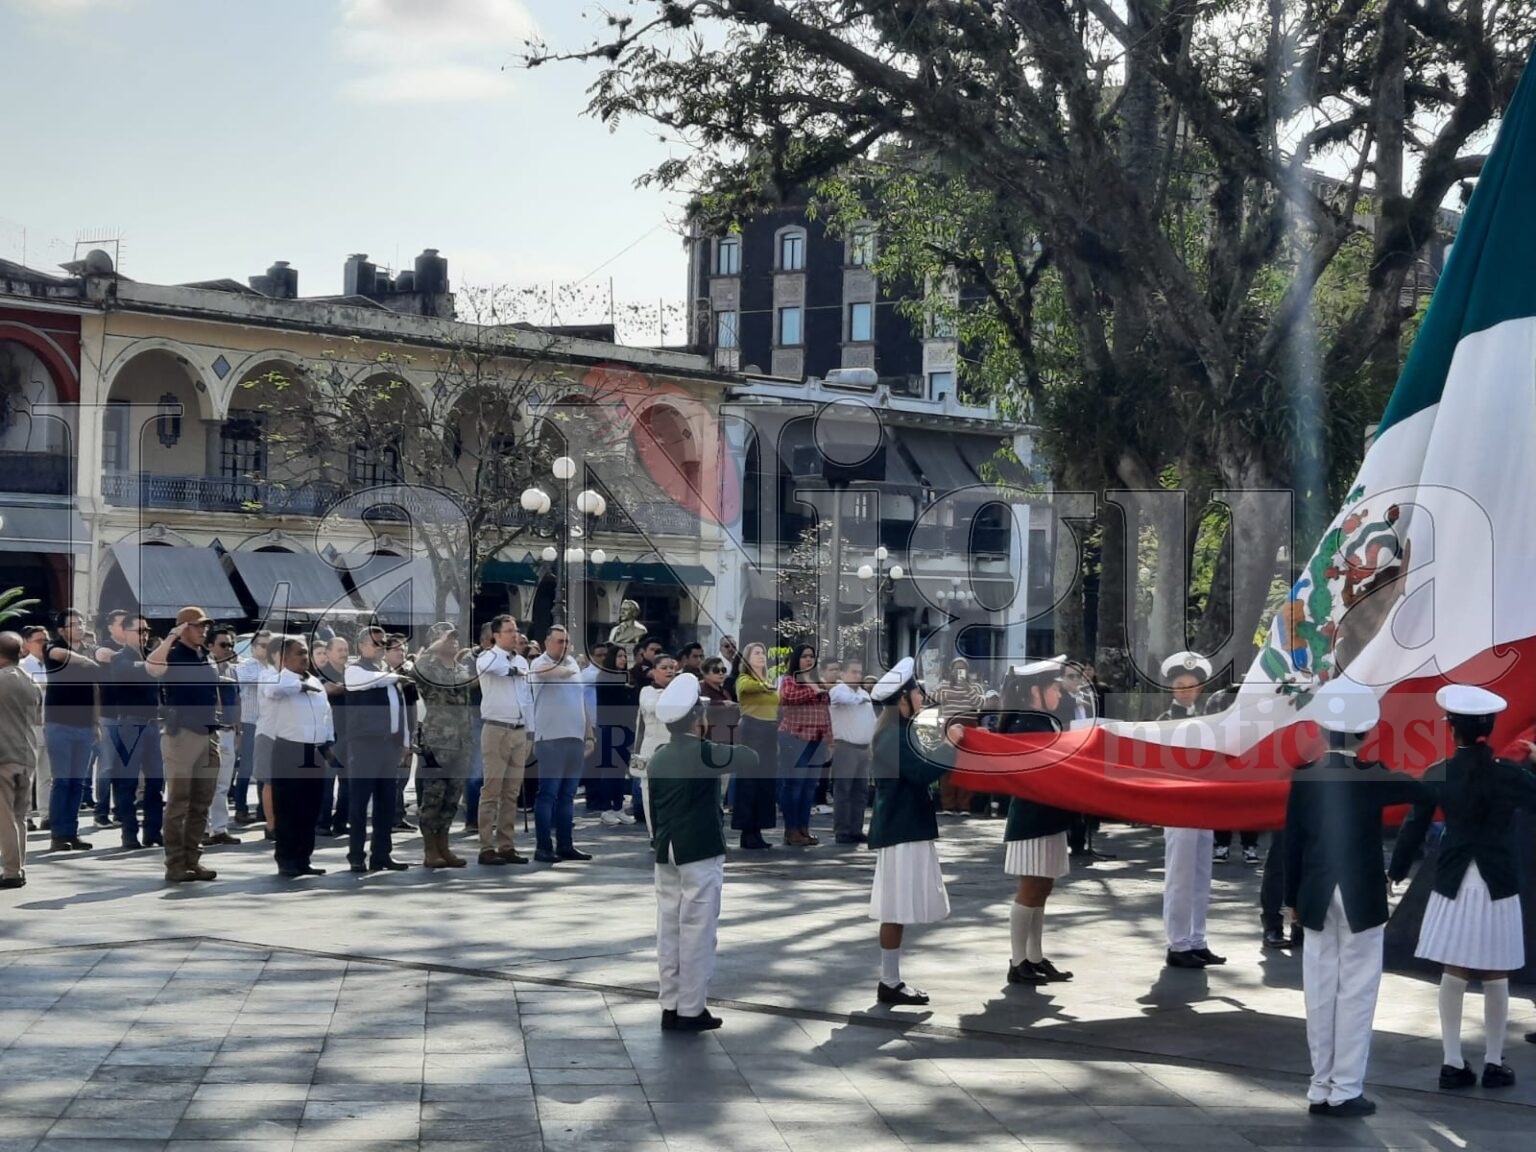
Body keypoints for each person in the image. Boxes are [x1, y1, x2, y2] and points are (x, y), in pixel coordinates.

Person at [1285, 675, 1427, 1119]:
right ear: (1365, 733)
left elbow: (1292, 843)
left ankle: (1319, 1085)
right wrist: (1399, 866)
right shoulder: (1376, 776)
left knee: (1320, 991)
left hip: (1314, 893)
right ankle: (1345, 1088)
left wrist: (1289, 899)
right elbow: (1427, 794)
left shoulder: (1305, 775)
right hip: (1362, 893)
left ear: (1322, 730)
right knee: (1357, 992)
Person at [1388, 684, 1536, 1091]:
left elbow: (1415, 824)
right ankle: (1493, 1061)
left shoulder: (1439, 772)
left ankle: (1452, 1062)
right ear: (1489, 727)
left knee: (1454, 970)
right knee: (1496, 971)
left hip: (1453, 877)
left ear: (1451, 728)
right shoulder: (1511, 774)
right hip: (1498, 879)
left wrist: (1397, 869)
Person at [649, 671, 758, 1033]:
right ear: (698, 719)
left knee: (669, 930)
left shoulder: (660, 755)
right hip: (699, 849)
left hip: (667, 852)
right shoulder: (704, 752)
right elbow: (749, 758)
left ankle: (670, 1004)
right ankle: (691, 1009)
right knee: (697, 931)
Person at [868, 657, 960, 1006]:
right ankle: (889, 981)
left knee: (899, 907)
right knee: (896, 908)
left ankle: (890, 979)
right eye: (916, 691)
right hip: (901, 830)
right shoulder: (892, 736)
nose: (922, 696)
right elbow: (922, 773)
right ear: (903, 699)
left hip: (907, 828)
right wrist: (950, 745)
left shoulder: (899, 732)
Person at [996, 661, 1077, 985]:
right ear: (1035, 692)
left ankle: (1034, 956)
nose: (1059, 691)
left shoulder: (1042, 722)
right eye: (1054, 687)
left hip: (1047, 815)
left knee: (1043, 886)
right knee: (1030, 888)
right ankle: (1018, 962)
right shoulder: (1026, 726)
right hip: (1032, 817)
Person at [1157, 650, 1224, 968]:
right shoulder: (1163, 722)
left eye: (1192, 684)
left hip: (1204, 803)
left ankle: (1197, 938)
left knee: (1201, 874)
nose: (1186, 689)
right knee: (1180, 875)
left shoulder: (1210, 719)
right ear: (1172, 688)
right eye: (1180, 684)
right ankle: (1178, 943)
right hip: (1178, 805)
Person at [145, 607, 222, 883]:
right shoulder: (174, 654)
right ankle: (175, 863)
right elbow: (152, 668)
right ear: (182, 628)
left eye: (205, 626)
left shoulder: (206, 655)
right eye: (197, 626)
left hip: (208, 732)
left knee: (202, 802)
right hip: (182, 735)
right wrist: (170, 638)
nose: (203, 630)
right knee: (178, 802)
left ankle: (193, 859)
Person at [342, 626, 411, 873]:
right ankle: (356, 854)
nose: (380, 647)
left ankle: (381, 854)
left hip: (388, 746)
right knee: (360, 803)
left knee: (386, 803)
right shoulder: (355, 670)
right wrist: (396, 676)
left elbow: (399, 709)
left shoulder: (387, 674)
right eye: (375, 643)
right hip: (364, 745)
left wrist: (405, 741)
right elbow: (360, 683)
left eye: (382, 643)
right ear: (361, 646)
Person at [262, 637, 331, 879]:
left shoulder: (314, 680)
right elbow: (271, 691)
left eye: (306, 653)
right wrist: (298, 687)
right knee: (288, 807)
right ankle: (286, 859)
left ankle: (304, 858)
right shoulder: (278, 679)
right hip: (289, 749)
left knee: (310, 807)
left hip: (314, 750)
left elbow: (326, 714)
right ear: (284, 658)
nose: (305, 657)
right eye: (299, 653)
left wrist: (328, 741)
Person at [409, 625, 475, 869]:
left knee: (451, 797)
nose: (454, 641)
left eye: (456, 637)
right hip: (437, 742)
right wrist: (436, 644)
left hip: (462, 741)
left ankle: (444, 846)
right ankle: (430, 850)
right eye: (448, 638)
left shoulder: (461, 668)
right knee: (433, 797)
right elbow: (416, 669)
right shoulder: (428, 666)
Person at [528, 625, 594, 864]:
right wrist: (563, 669)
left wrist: (589, 734)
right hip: (550, 739)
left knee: (568, 796)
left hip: (574, 739)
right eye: (558, 641)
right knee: (548, 794)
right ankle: (543, 847)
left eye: (566, 641)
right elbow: (543, 673)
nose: (563, 645)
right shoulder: (540, 663)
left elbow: (581, 703)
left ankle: (565, 845)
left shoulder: (573, 665)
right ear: (547, 642)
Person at [475, 615, 532, 866]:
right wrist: (515, 671)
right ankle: (486, 846)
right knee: (492, 790)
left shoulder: (521, 659)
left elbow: (527, 697)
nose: (515, 635)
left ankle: (506, 844)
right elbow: (493, 669)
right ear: (496, 635)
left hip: (519, 730)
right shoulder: (488, 656)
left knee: (511, 792)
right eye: (509, 631)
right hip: (497, 729)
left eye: (516, 630)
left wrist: (532, 731)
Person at [106, 616, 165, 849]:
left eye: (147, 630)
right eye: (139, 630)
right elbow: (131, 673)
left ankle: (153, 832)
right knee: (128, 782)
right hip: (130, 724)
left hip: (152, 724)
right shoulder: (120, 658)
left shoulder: (150, 657)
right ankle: (129, 834)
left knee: (155, 781)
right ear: (125, 632)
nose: (144, 634)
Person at [43, 610, 99, 852]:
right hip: (59, 724)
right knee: (62, 781)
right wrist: (84, 659)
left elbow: (96, 690)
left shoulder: (88, 650)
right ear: (62, 629)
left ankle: (72, 832)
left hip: (85, 724)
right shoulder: (53, 646)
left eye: (81, 623)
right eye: (73, 624)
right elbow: (59, 654)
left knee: (78, 783)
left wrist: (96, 723)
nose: (78, 627)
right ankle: (58, 834)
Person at [777, 643, 830, 847]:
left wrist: (829, 740)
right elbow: (788, 698)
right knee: (794, 785)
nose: (808, 660)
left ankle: (803, 829)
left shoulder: (817, 681)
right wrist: (812, 690)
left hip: (817, 740)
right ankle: (791, 830)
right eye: (804, 656)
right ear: (796, 660)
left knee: (809, 787)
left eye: (811, 656)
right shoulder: (790, 680)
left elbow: (825, 712)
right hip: (794, 737)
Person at [0, 631, 42, 889]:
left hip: (3, 755)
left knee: (4, 817)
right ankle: (18, 867)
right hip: (26, 753)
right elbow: (36, 718)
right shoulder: (31, 681)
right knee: (19, 816)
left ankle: (12, 871)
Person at [730, 642, 778, 851]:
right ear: (747, 659)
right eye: (756, 653)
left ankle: (758, 828)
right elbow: (744, 688)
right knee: (749, 780)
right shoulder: (745, 679)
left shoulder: (768, 680)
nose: (761, 656)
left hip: (769, 730)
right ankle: (747, 830)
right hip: (752, 729)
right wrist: (763, 686)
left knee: (764, 782)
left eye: (763, 653)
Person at [203, 626, 243, 847]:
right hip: (211, 731)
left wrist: (239, 729)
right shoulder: (206, 668)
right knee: (207, 783)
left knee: (223, 785)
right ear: (210, 646)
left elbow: (237, 700)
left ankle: (220, 828)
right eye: (223, 644)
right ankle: (205, 829)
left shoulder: (232, 670)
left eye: (231, 644)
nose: (228, 649)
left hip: (228, 730)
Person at [588, 644, 637, 825]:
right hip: (609, 727)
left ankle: (618, 807)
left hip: (625, 728)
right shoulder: (605, 677)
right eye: (620, 656)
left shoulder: (624, 677)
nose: (623, 660)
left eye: (625, 656)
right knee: (610, 769)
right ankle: (606, 808)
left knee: (620, 770)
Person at [828, 658, 874, 846]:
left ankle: (856, 829)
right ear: (843, 674)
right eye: (853, 672)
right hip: (845, 746)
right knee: (843, 791)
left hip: (863, 748)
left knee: (860, 792)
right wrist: (860, 699)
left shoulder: (864, 693)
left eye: (859, 672)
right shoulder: (838, 690)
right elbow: (842, 700)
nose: (857, 675)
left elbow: (871, 719)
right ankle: (842, 830)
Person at [632, 654, 678, 833]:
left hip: (675, 750)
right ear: (653, 672)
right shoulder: (647, 691)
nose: (669, 671)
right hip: (651, 749)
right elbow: (654, 709)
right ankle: (655, 835)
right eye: (664, 668)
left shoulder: (680, 692)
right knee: (649, 794)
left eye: (672, 668)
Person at [935, 657, 985, 816]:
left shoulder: (975, 686)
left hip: (968, 726)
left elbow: (979, 703)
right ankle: (948, 805)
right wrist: (953, 693)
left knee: (966, 766)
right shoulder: (944, 685)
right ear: (951, 670)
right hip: (950, 725)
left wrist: (966, 688)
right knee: (947, 765)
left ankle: (964, 805)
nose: (959, 672)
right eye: (956, 668)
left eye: (962, 668)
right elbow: (935, 697)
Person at [230, 630, 270, 825]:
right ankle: (240, 807)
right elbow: (248, 681)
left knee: (266, 767)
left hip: (269, 723)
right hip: (250, 721)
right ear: (253, 649)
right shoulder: (246, 667)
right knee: (246, 766)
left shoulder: (275, 668)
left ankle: (264, 809)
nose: (267, 649)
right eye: (263, 645)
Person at [385, 635, 418, 832]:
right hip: (390, 734)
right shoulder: (382, 675)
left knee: (403, 777)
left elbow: (413, 703)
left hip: (408, 731)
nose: (401, 652)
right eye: (396, 649)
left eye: (404, 648)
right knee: (392, 778)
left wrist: (414, 731)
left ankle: (398, 815)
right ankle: (389, 816)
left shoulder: (408, 675)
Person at [19, 626, 49, 832]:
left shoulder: (53, 665)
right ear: (26, 644)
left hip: (53, 725)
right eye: (39, 641)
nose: (44, 645)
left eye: (46, 640)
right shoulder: (22, 667)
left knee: (47, 775)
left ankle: (46, 814)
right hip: (29, 726)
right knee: (27, 774)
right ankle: (25, 816)